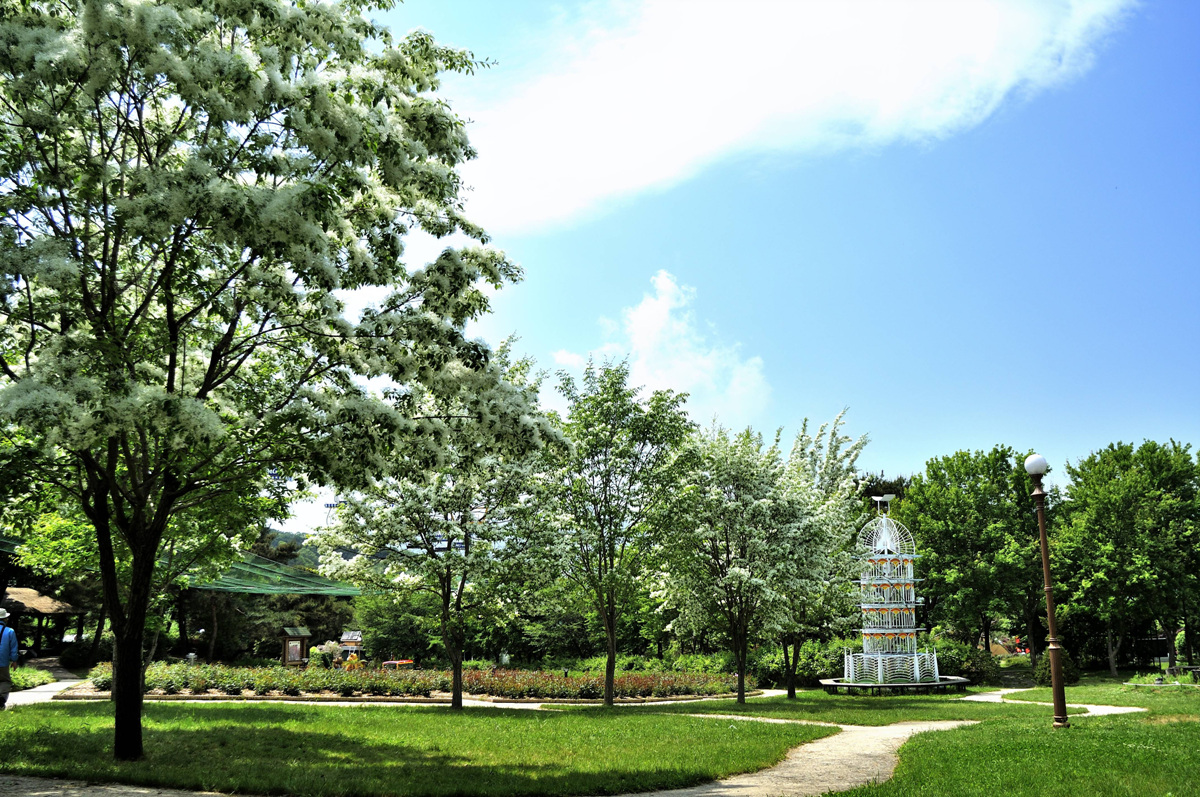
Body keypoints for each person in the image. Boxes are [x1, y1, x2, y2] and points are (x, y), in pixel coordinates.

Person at [0, 608, 17, 709]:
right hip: (3, 662)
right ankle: (1, 699)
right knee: (5, 681)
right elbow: (13, 648)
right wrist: (14, 660)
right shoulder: (10, 631)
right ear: (5, 618)